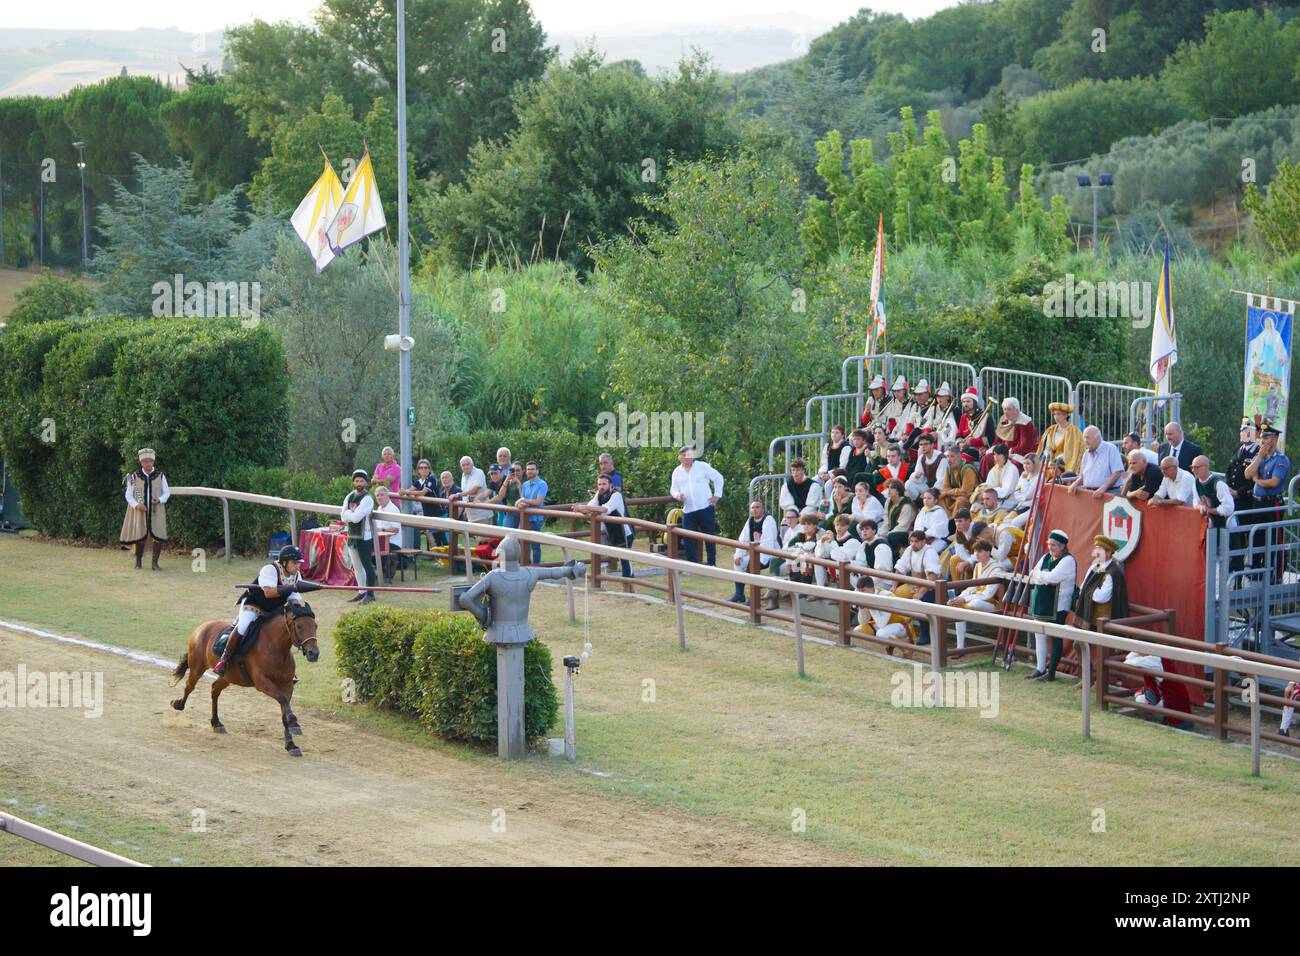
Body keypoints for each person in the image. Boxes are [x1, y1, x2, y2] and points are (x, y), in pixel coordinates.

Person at [214, 544, 318, 676]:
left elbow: (293, 598)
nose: (297, 566)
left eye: (299, 563)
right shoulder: (270, 570)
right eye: (294, 562)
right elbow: (269, 592)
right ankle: (224, 659)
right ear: (284, 562)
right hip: (254, 605)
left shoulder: (296, 575)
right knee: (243, 626)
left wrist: (296, 608)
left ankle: (286, 667)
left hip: (274, 608)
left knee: (288, 628)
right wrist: (291, 588)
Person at [1025, 530, 1076, 681]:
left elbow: (1054, 578)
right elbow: (1033, 573)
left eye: (1053, 545)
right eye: (1049, 544)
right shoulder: (1046, 556)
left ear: (1062, 546)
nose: (1050, 547)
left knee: (1055, 638)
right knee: (1039, 635)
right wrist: (1044, 576)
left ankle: (1051, 672)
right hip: (1042, 601)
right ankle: (1040, 668)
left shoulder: (1068, 560)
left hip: (1058, 604)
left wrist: (1042, 576)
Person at [1244, 423, 1289, 581]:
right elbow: (1248, 474)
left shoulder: (1280, 459)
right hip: (1258, 503)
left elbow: (1273, 482)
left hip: (1272, 504)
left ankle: (1275, 573)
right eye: (1262, 438)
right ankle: (1256, 571)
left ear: (1275, 439)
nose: (1263, 441)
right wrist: (1259, 457)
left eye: (1267, 437)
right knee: (1257, 537)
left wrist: (1258, 480)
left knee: (1274, 538)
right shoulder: (1260, 457)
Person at [670, 446, 724, 565]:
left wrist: (717, 495)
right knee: (687, 538)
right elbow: (673, 489)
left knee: (709, 537)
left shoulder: (702, 466)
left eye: (688, 455)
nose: (686, 457)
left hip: (705, 507)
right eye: (683, 455)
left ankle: (711, 564)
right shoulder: (677, 472)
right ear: (679, 457)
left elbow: (718, 478)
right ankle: (692, 564)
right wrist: (677, 495)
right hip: (688, 511)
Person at [576, 474, 634, 579]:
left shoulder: (616, 495)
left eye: (604, 484)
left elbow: (605, 509)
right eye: (599, 484)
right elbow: (591, 506)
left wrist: (584, 508)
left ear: (611, 485)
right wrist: (581, 509)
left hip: (624, 531)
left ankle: (629, 582)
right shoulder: (599, 495)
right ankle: (628, 583)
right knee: (622, 558)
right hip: (611, 531)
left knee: (625, 560)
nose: (601, 486)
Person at [120, 447, 170, 570]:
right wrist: (137, 505)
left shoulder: (161, 476)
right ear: (141, 462)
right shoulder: (133, 477)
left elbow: (167, 492)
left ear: (153, 462)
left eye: (150, 461)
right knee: (139, 535)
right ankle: (138, 562)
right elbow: (128, 494)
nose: (148, 463)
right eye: (145, 461)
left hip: (156, 510)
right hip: (139, 511)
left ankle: (155, 563)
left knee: (157, 535)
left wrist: (159, 500)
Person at [949, 539, 1004, 649]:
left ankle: (960, 605)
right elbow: (972, 587)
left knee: (975, 603)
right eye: (975, 551)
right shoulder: (978, 566)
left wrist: (964, 600)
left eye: (980, 551)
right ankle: (960, 647)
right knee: (958, 606)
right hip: (977, 600)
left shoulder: (997, 568)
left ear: (988, 553)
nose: (976, 554)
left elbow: (987, 595)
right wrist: (960, 597)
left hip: (994, 604)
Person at [729, 499, 781, 607]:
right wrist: (739, 555)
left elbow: (767, 544)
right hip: (756, 553)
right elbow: (743, 539)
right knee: (739, 563)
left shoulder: (768, 520)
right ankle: (739, 594)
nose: (755, 509)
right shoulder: (750, 521)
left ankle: (754, 598)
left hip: (772, 554)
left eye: (757, 507)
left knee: (752, 565)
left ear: (763, 509)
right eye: (752, 507)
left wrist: (755, 560)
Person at [893, 530, 940, 645]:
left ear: (924, 541)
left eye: (916, 541)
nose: (913, 544)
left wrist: (921, 593)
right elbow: (900, 568)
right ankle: (903, 630)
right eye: (911, 541)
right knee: (893, 596)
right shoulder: (909, 550)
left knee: (921, 603)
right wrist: (893, 586)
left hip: (931, 588)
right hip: (913, 585)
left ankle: (925, 634)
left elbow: (932, 576)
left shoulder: (930, 552)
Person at [1074, 535, 1129, 632]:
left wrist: (1088, 589)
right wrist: (1090, 589)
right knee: (1084, 645)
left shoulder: (1113, 573)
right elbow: (1083, 587)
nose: (1096, 552)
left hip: (1104, 622)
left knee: (1102, 646)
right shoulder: (1095, 567)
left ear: (1108, 553)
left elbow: (1101, 598)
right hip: (1089, 617)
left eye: (1100, 549)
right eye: (1096, 549)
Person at [341, 469, 378, 604]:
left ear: (366, 482)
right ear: (353, 482)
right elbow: (342, 516)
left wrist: (350, 514)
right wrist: (352, 514)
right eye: (356, 481)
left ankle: (370, 594)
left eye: (361, 480)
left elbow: (356, 518)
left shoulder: (368, 498)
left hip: (364, 537)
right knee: (357, 567)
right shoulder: (349, 496)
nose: (359, 483)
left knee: (367, 566)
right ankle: (361, 592)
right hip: (352, 536)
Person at [980, 398, 1038, 476]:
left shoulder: (1025, 422)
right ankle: (987, 484)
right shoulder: (1004, 420)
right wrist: (995, 449)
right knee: (986, 458)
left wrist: (1006, 452)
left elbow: (1025, 446)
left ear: (1017, 410)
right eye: (1004, 409)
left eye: (1009, 409)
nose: (1006, 412)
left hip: (1019, 454)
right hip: (1004, 452)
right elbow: (998, 441)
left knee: (1012, 464)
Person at [1067, 426, 1125, 498]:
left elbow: (1117, 473)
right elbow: (1082, 476)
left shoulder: (1111, 449)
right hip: (1090, 494)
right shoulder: (1086, 454)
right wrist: (1075, 484)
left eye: (1088, 437)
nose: (1085, 440)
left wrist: (1103, 488)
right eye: (1084, 438)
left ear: (1098, 438)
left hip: (1109, 493)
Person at [404, 459, 446, 549]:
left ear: (429, 469)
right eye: (421, 468)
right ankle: (438, 557)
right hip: (428, 513)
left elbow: (423, 492)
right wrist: (406, 491)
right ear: (418, 470)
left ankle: (450, 559)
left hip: (438, 512)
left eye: (426, 468)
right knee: (433, 536)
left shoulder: (431, 479)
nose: (423, 470)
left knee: (444, 538)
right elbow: (410, 490)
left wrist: (408, 492)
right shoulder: (419, 482)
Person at [1036, 402, 1085, 478]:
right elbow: (1047, 448)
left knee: (1052, 472)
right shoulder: (1051, 429)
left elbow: (1072, 452)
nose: (1055, 416)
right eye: (1054, 414)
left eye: (1058, 414)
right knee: (1037, 468)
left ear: (1065, 415)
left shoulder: (1074, 431)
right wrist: (1048, 458)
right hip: (1051, 461)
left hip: (1065, 463)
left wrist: (1056, 461)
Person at [517, 462, 550, 565]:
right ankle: (525, 565)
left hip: (536, 519)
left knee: (535, 545)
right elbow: (522, 501)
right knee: (521, 542)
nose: (530, 471)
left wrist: (524, 500)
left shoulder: (542, 484)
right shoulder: (525, 484)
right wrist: (521, 503)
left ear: (537, 471)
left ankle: (536, 567)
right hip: (524, 518)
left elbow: (538, 502)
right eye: (528, 469)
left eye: (532, 469)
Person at [850, 518, 895, 591]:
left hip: (884, 582)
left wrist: (866, 583)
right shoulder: (865, 545)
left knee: (860, 590)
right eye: (862, 529)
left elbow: (882, 572)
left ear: (874, 530)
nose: (864, 531)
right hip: (872, 579)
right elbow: (861, 564)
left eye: (867, 529)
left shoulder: (881, 546)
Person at [939, 445, 979, 516]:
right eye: (947, 456)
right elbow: (945, 487)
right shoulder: (949, 467)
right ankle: (945, 524)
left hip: (971, 497)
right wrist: (949, 494)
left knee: (960, 501)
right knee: (940, 498)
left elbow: (966, 491)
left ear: (959, 456)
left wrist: (948, 493)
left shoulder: (967, 469)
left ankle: (956, 524)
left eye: (952, 456)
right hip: (955, 495)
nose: (949, 459)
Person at [904, 432, 946, 500]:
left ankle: (927, 501)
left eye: (926, 444)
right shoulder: (921, 458)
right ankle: (920, 505)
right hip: (928, 486)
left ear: (932, 445)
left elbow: (941, 481)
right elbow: (919, 480)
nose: (923, 447)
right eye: (921, 444)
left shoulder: (941, 458)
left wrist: (929, 493)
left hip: (940, 489)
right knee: (908, 484)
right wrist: (916, 476)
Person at [957, 387, 996, 459]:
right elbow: (959, 434)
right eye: (964, 402)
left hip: (979, 449)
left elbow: (990, 438)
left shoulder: (985, 416)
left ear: (974, 402)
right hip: (964, 447)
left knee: (962, 458)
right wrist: (960, 443)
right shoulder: (964, 417)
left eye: (968, 401)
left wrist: (972, 442)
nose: (965, 404)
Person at [881, 479, 917, 555]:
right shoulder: (889, 501)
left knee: (892, 536)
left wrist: (887, 535)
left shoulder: (906, 505)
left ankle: (896, 556)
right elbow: (886, 521)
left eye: (892, 488)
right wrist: (881, 534)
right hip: (893, 530)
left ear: (898, 490)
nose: (889, 490)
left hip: (908, 533)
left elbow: (903, 526)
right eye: (888, 488)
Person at [912, 487, 950, 557]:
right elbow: (918, 525)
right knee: (911, 550)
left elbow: (937, 529)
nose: (926, 500)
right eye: (924, 498)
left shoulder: (939, 512)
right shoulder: (923, 510)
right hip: (922, 539)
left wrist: (925, 535)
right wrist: (919, 536)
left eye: (929, 498)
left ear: (935, 500)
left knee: (928, 553)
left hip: (937, 540)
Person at [493, 462, 525, 529]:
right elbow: (500, 496)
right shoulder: (509, 482)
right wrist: (507, 479)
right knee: (507, 534)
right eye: (513, 470)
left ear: (523, 471)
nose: (515, 472)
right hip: (510, 512)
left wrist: (518, 483)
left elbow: (523, 498)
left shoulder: (526, 483)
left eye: (518, 470)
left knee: (521, 537)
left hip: (522, 513)